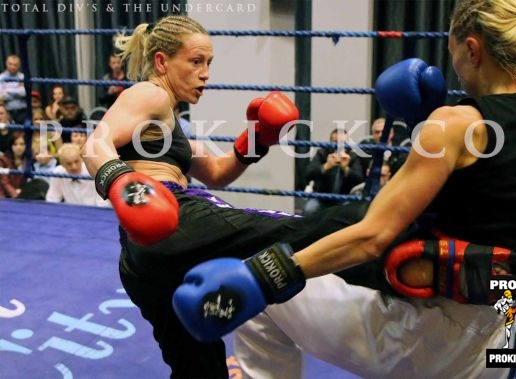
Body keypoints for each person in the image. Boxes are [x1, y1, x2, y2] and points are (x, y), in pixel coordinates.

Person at [174, 1, 516, 378]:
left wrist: (265, 276)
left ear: (473, 49)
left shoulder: (456, 123)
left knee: (262, 299)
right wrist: (421, 127)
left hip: (441, 341)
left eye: (454, 54)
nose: (456, 71)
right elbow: (495, 186)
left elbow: (373, 236)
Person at [81, 15, 371, 379]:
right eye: (196, 61)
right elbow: (96, 143)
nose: (206, 73)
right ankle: (403, 249)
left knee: (199, 370)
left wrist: (258, 138)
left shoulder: (170, 119)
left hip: (144, 261)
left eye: (209, 63)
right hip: (176, 220)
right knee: (317, 228)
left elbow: (218, 172)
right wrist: (128, 185)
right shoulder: (148, 94)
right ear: (161, 62)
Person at [302, 128, 364, 216]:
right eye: (336, 142)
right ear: (330, 143)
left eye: (343, 143)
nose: (340, 146)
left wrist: (345, 168)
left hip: (344, 198)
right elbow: (308, 174)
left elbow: (359, 179)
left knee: (352, 213)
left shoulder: (352, 157)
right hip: (321, 198)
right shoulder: (322, 153)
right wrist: (326, 166)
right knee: (309, 209)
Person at [0, 54, 27, 125]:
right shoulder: (1, 78)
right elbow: (2, 96)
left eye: (15, 65)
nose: (12, 67)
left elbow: (24, 92)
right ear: (6, 63)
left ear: (19, 65)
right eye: (10, 64)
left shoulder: (23, 77)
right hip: (7, 112)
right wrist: (17, 88)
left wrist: (8, 90)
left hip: (23, 111)